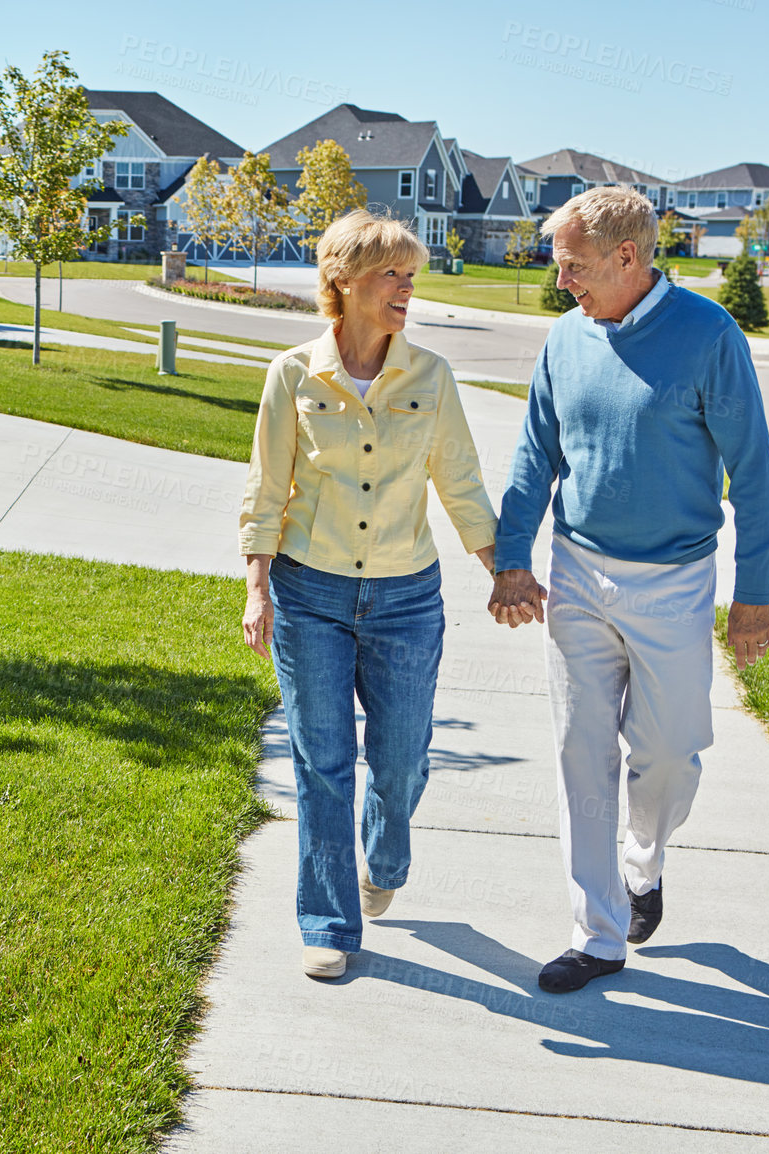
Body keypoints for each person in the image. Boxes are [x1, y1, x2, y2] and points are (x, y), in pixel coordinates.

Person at [488, 186, 769, 994]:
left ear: (628, 256)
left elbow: (754, 474)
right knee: (582, 750)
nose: (561, 282)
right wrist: (514, 558)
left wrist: (752, 592)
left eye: (573, 266)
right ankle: (597, 932)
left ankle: (641, 866)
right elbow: (532, 457)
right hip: (579, 574)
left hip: (676, 585)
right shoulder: (564, 338)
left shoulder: (708, 338)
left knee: (667, 756)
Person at [239, 210, 499, 980]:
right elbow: (266, 488)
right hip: (310, 592)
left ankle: (384, 857)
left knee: (401, 756)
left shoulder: (431, 377)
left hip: (404, 599)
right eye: (392, 275)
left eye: (411, 276)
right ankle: (328, 924)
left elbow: (460, 482)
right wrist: (258, 586)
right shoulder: (292, 374)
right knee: (323, 761)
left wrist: (502, 569)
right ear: (343, 282)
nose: (406, 290)